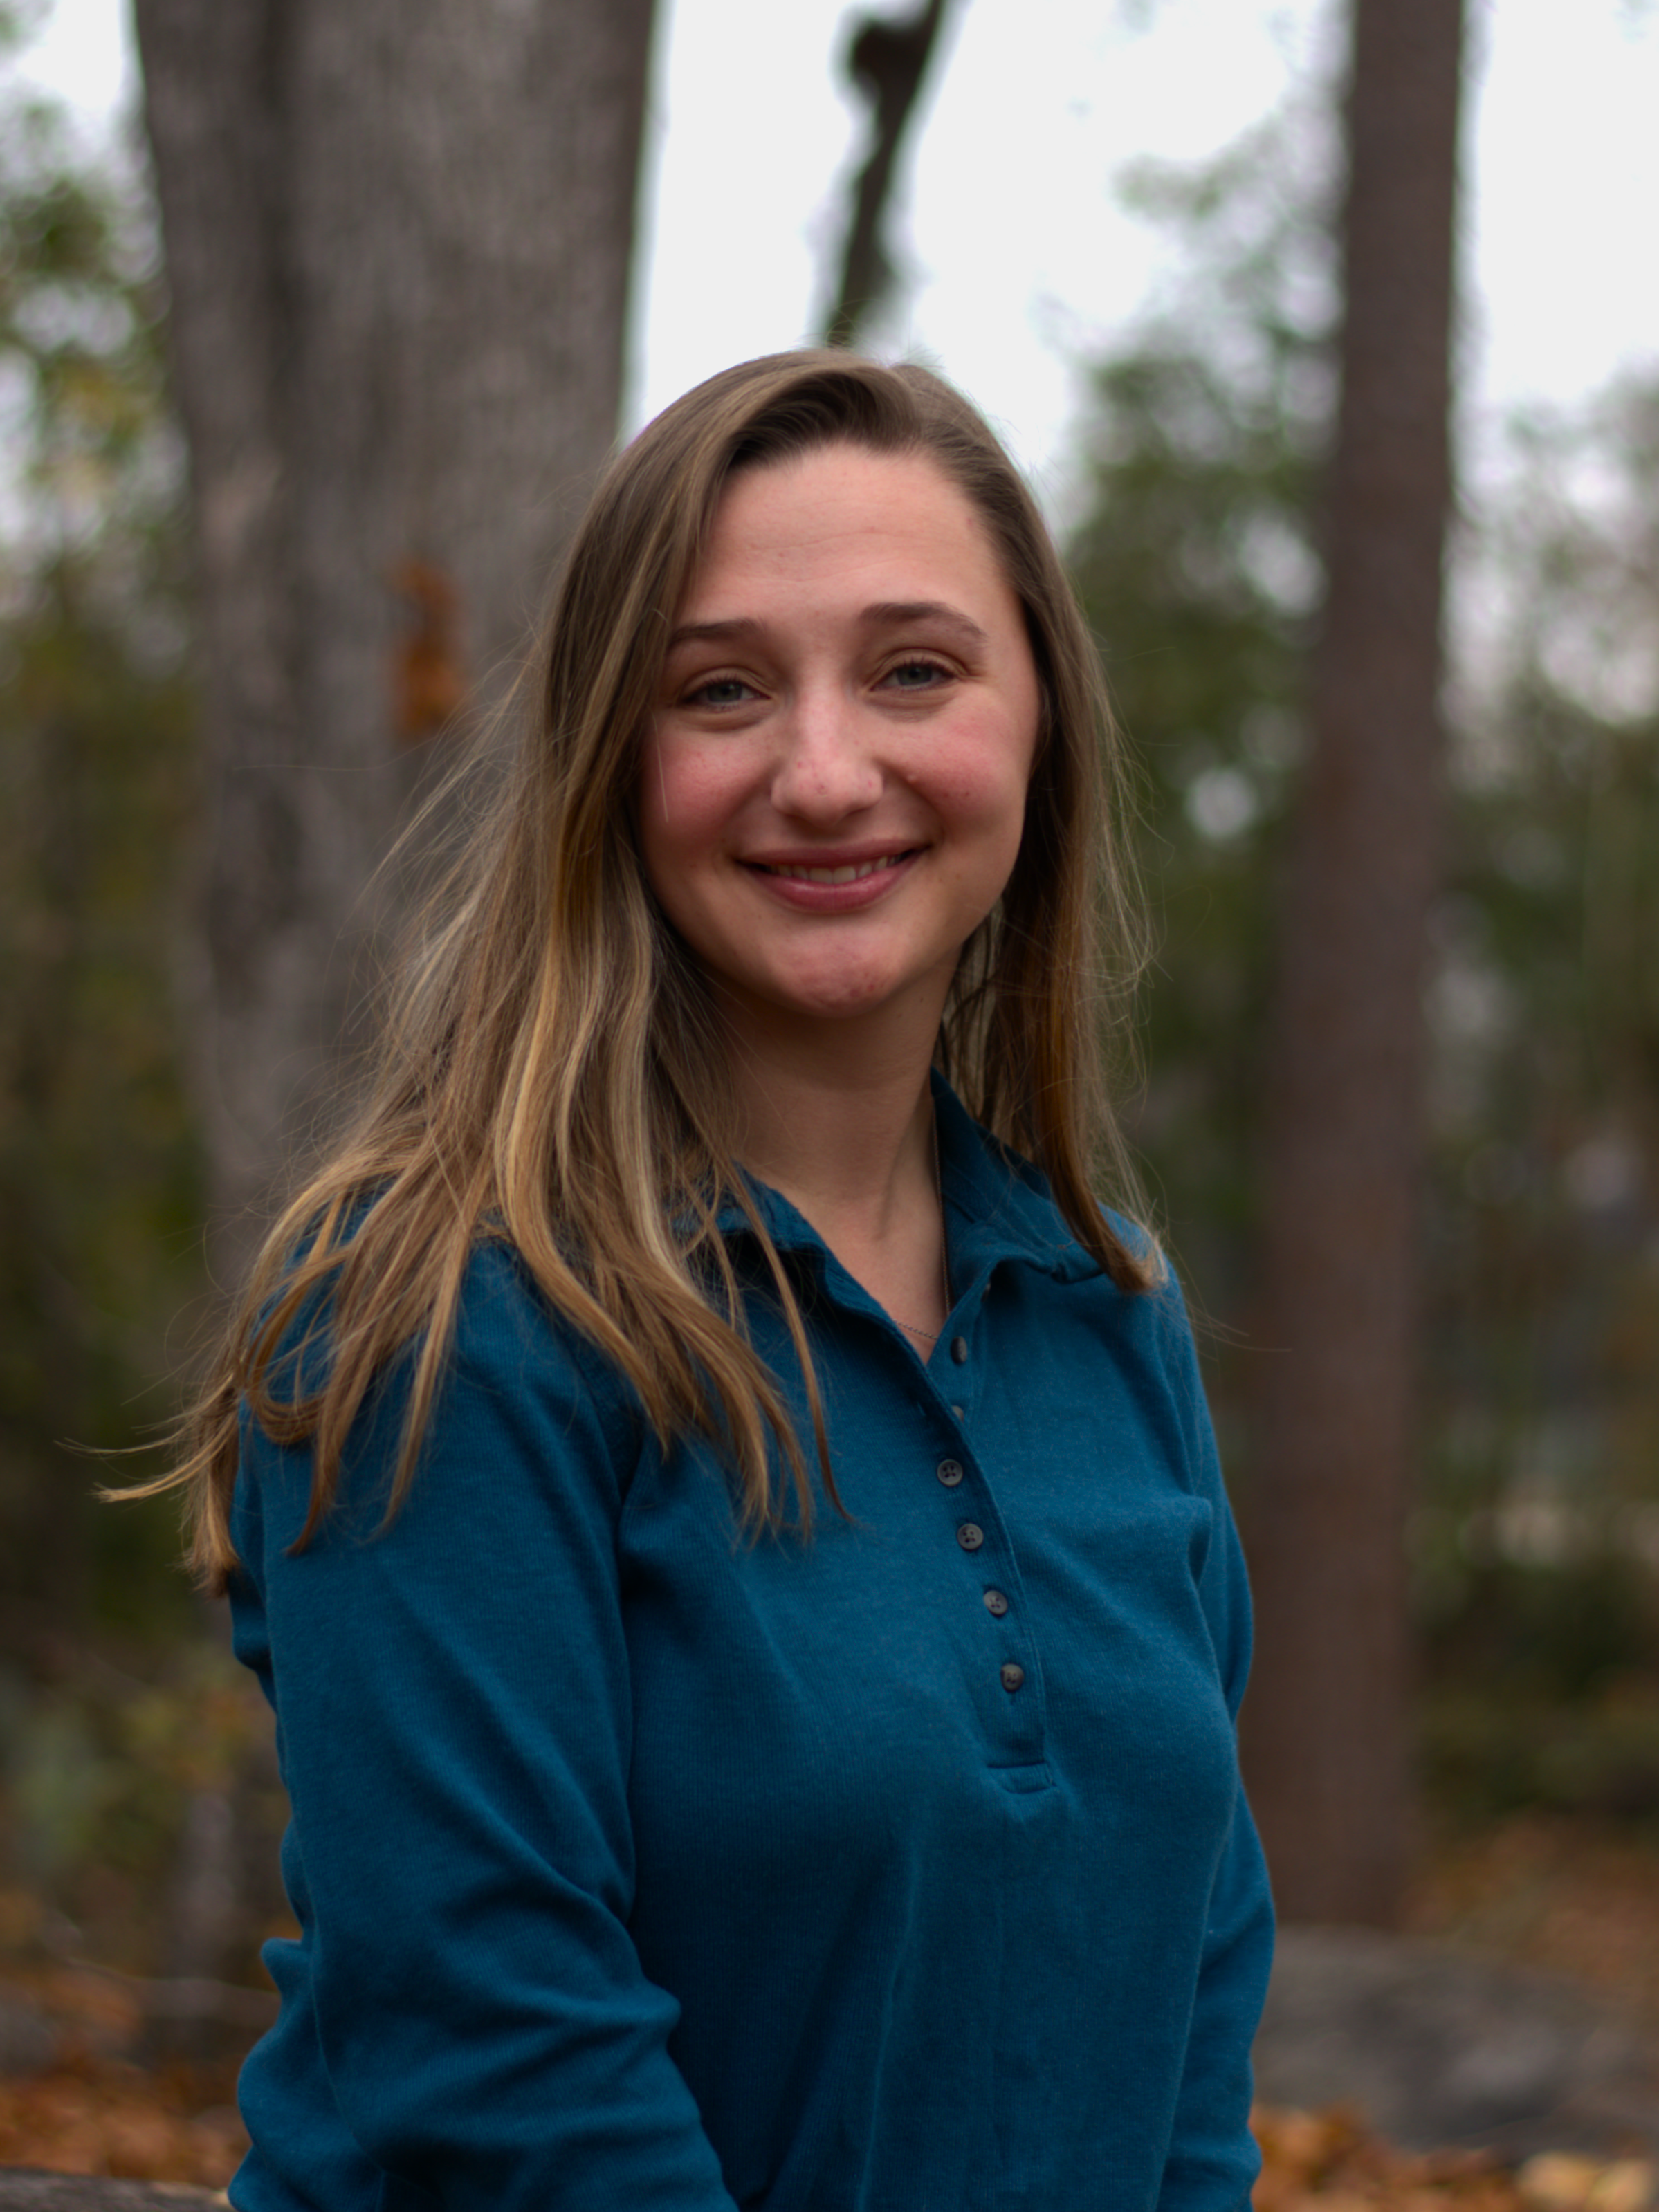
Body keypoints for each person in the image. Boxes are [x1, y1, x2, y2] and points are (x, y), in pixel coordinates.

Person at [162, 351, 1274, 2210]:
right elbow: (496, 2053)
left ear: (1040, 729)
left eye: (913, 668)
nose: (823, 772)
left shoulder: (1109, 1309)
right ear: (614, 756)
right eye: (721, 690)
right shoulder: (444, 1320)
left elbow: (1189, 2004)